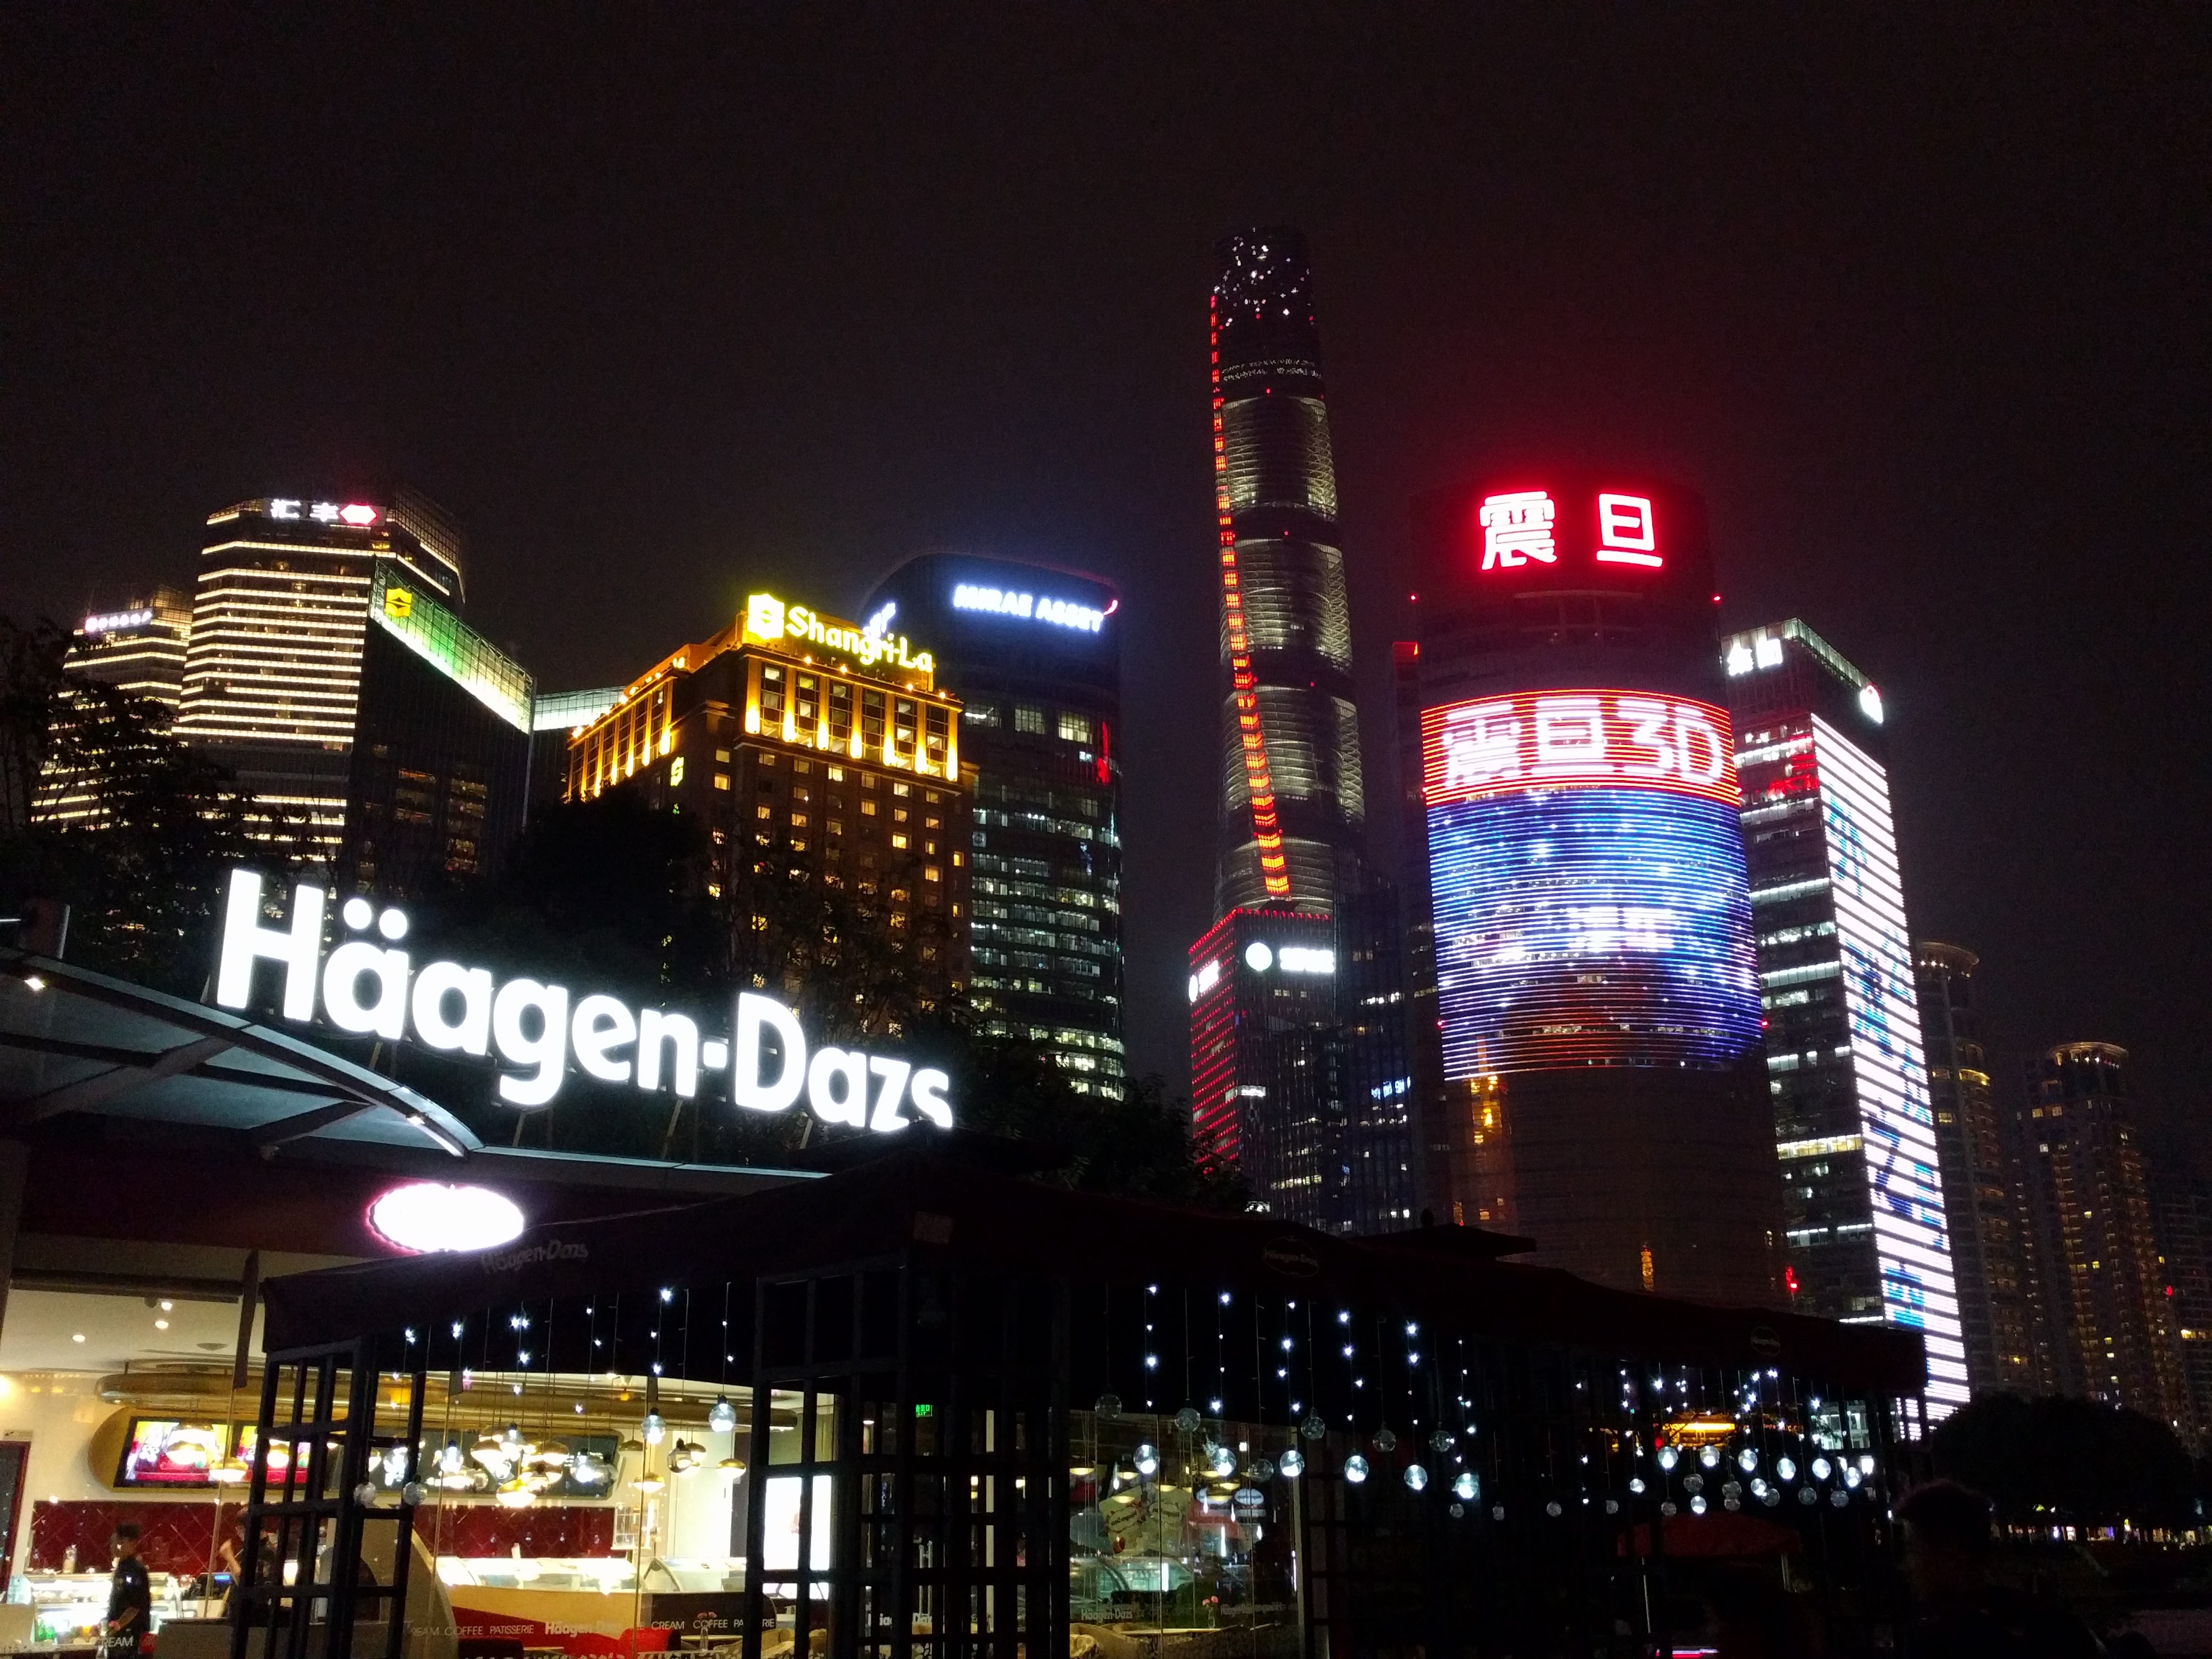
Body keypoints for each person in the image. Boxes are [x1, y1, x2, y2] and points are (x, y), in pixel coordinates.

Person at [1897, 1480, 2098, 1659]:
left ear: (1952, 1553)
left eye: (1914, 1550)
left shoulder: (1943, 1642)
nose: (1906, 1565)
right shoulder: (2055, 1626)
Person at [104, 1524, 151, 1659]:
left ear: (132, 1543)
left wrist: (119, 1623)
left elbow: (136, 1606)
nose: (114, 1546)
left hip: (131, 1638)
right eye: (113, 1542)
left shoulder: (136, 1570)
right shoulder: (121, 1566)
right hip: (119, 1636)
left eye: (119, 1542)